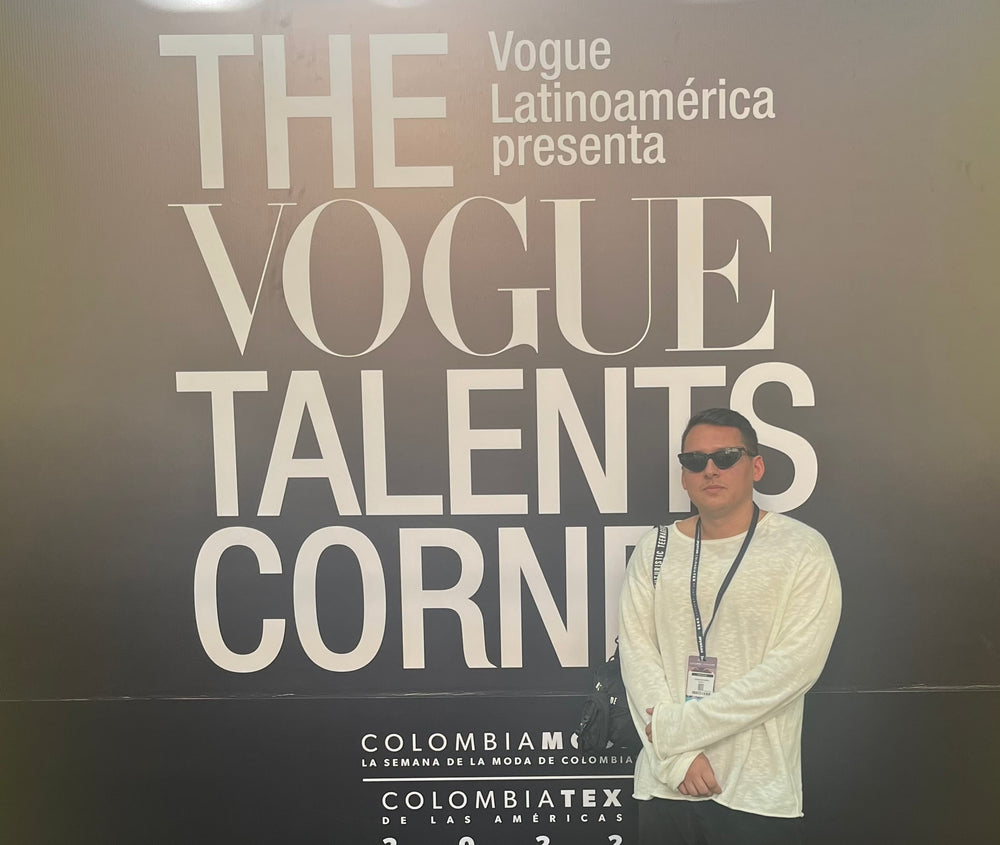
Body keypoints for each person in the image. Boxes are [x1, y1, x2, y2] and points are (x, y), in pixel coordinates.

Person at [618, 408, 841, 844]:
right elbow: (637, 654)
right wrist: (678, 761)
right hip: (665, 786)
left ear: (756, 466)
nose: (710, 470)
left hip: (757, 795)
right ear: (684, 477)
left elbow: (793, 670)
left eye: (726, 457)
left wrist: (677, 732)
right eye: (695, 461)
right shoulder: (655, 548)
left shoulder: (802, 549)